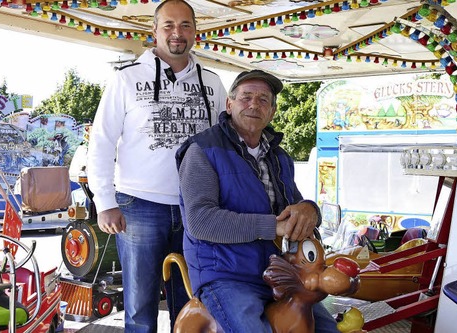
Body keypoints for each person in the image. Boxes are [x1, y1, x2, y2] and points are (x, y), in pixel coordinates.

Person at [86, 0, 227, 331]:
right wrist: (104, 202)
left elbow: (225, 143)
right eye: (168, 25)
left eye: (185, 25)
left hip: (197, 208)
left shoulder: (214, 84)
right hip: (138, 205)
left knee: (193, 300)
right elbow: (102, 142)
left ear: (195, 31)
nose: (177, 33)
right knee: (140, 304)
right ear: (154, 31)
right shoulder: (126, 79)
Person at [176, 70, 340, 332]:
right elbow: (201, 221)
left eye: (264, 100)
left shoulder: (279, 157)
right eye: (246, 97)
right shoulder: (202, 150)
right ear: (229, 105)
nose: (254, 104)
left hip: (278, 276)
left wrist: (310, 210)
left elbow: (294, 208)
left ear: (272, 112)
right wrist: (272, 227)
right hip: (226, 276)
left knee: (326, 328)